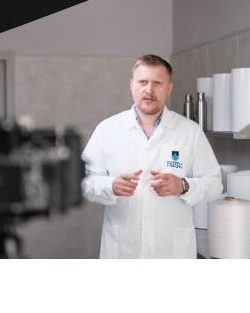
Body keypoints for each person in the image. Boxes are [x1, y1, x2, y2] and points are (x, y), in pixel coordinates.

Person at [81, 54, 222, 258]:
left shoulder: (190, 131)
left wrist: (183, 185)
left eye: (157, 83)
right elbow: (84, 181)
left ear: (169, 88)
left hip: (171, 251)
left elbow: (215, 184)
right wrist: (110, 185)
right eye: (143, 82)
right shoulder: (107, 129)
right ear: (132, 85)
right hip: (122, 250)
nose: (149, 90)